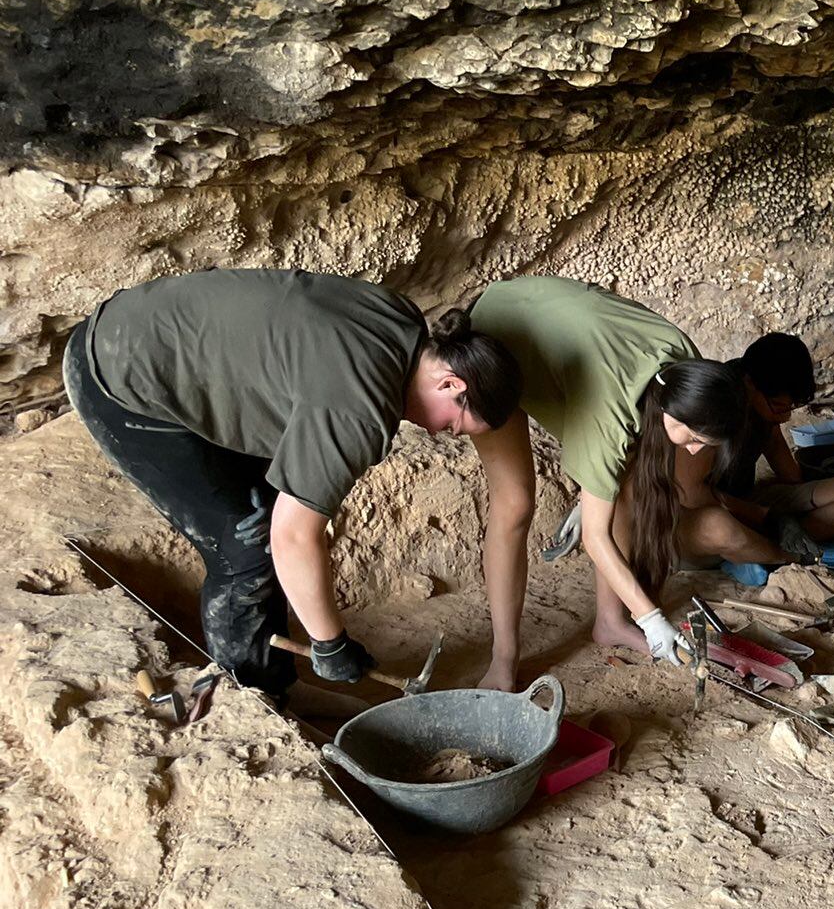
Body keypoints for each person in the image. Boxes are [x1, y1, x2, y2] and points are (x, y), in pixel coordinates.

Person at [63, 267, 522, 700]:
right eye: (454, 426)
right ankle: (251, 700)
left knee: (261, 510)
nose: (440, 433)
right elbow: (293, 536)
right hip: (119, 376)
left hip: (152, 329)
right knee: (244, 546)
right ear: (449, 384)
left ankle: (277, 681)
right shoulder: (357, 409)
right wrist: (330, 643)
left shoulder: (401, 322)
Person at [468, 277, 752, 672]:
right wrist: (652, 620)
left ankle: (610, 621)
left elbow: (630, 462)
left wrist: (593, 494)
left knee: (619, 488)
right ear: (673, 411)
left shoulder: (687, 366)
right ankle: (503, 658)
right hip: (496, 334)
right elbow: (595, 538)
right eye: (693, 438)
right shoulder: (610, 418)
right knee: (514, 504)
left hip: (565, 327)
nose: (693, 451)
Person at [711, 332, 834, 573]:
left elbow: (784, 465)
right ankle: (769, 554)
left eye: (791, 408)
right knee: (720, 529)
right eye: (779, 407)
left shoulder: (762, 398)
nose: (786, 417)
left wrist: (814, 484)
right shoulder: (711, 408)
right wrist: (772, 519)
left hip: (749, 502)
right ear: (749, 384)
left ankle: (779, 551)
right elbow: (693, 495)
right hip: (713, 511)